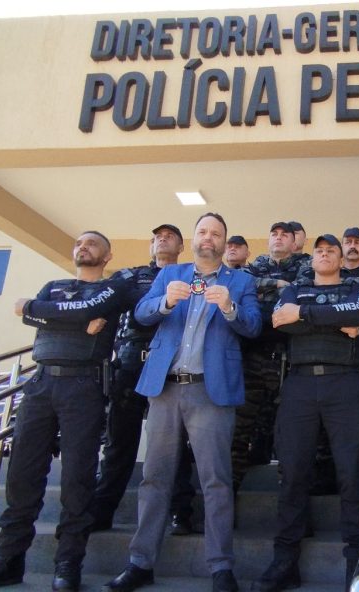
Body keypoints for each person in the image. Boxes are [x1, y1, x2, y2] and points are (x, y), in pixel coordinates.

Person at [0, 231, 135, 592]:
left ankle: (68, 563)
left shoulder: (113, 288)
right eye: (79, 243)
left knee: (77, 479)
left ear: (107, 254)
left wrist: (42, 313)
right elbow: (32, 317)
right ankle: (8, 560)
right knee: (22, 474)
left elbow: (67, 311)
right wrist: (69, 320)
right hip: (39, 385)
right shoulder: (53, 285)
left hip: (84, 386)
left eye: (91, 243)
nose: (83, 246)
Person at [103, 213, 261, 592]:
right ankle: (141, 563)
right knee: (155, 478)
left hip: (211, 391)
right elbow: (141, 314)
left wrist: (229, 308)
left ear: (225, 242)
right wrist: (163, 304)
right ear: (193, 238)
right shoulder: (169, 274)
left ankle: (221, 567)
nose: (209, 238)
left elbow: (254, 326)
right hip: (165, 389)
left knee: (216, 481)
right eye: (203, 231)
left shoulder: (241, 281)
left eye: (216, 233)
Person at [251, 234, 359, 592]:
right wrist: (335, 321)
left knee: (352, 472)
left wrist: (305, 315)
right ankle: (284, 561)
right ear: (312, 259)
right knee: (292, 472)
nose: (323, 254)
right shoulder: (294, 289)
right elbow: (280, 322)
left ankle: (358, 562)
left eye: (330, 251)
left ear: (340, 258)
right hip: (300, 385)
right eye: (318, 250)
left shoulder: (357, 289)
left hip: (345, 384)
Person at [90, 224, 198, 535]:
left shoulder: (191, 277)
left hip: (172, 365)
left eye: (169, 236)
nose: (162, 240)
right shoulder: (128, 276)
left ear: (180, 246)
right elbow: (103, 307)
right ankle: (102, 510)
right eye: (157, 237)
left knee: (175, 444)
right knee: (119, 443)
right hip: (131, 366)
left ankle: (181, 512)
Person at [235, 222, 305, 489]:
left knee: (290, 432)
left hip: (288, 358)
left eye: (284, 235)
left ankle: (290, 496)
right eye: (274, 234)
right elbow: (242, 282)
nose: (278, 238)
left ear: (294, 241)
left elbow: (302, 288)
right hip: (252, 355)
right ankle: (230, 491)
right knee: (240, 427)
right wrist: (276, 283)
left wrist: (264, 291)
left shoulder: (305, 265)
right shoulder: (254, 266)